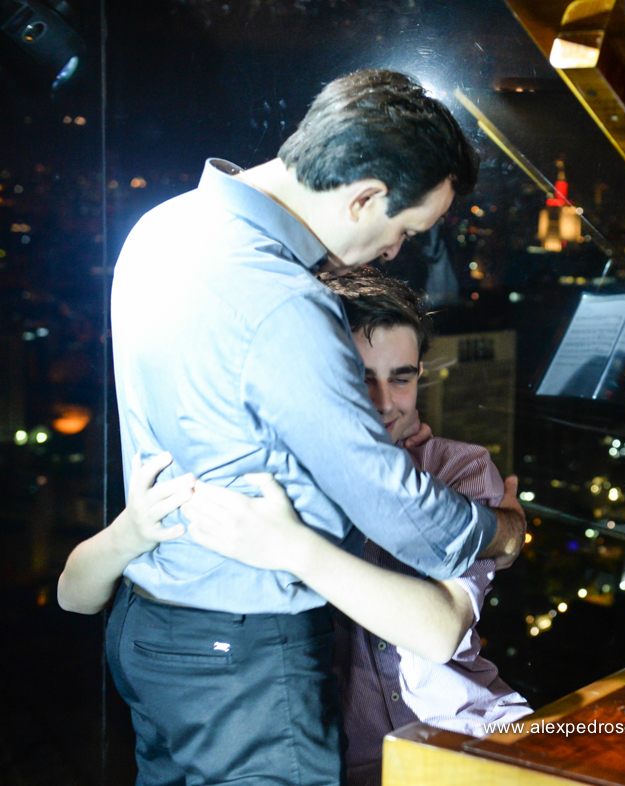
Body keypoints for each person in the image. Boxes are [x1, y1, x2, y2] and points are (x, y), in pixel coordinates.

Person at [84, 69, 524, 785]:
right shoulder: (282, 297)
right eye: (403, 230)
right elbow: (384, 494)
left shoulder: (158, 229)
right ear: (365, 197)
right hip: (244, 653)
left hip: (154, 629)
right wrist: (500, 531)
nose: (392, 253)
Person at [183, 268, 532, 785]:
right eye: (361, 377)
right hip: (342, 763)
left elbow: (442, 632)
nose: (385, 402)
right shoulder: (283, 479)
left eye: (402, 377)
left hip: (472, 735)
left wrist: (505, 531)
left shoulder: (459, 469)